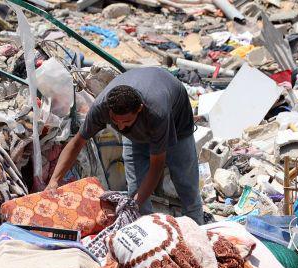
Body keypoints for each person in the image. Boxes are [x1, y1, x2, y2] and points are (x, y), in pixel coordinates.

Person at [45, 67, 203, 224]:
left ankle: (198, 228)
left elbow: (157, 166)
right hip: (141, 122)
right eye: (116, 121)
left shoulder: (157, 113)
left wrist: (134, 203)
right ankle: (145, 233)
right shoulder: (101, 108)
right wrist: (54, 181)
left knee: (186, 184)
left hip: (177, 119)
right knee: (135, 188)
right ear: (109, 111)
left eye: (126, 121)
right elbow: (77, 142)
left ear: (139, 109)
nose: (121, 128)